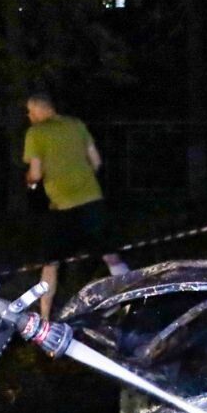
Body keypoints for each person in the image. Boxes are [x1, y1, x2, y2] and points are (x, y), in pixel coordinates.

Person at [22, 93, 128, 319]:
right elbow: (97, 161)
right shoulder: (76, 124)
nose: (28, 116)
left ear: (39, 110)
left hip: (61, 208)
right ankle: (130, 302)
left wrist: (30, 182)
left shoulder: (36, 133)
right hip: (91, 200)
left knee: (51, 264)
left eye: (30, 111)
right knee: (111, 256)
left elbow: (36, 173)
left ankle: (45, 318)